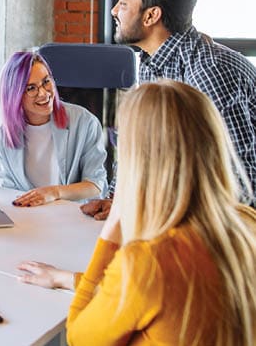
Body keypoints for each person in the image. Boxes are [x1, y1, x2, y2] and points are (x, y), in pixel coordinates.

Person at [18, 81, 256, 345]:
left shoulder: (149, 260)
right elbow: (136, 294)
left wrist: (110, 232)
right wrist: (65, 278)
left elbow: (80, 337)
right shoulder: (246, 222)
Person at [82, 0, 256, 220]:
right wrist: (119, 201)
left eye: (123, 3)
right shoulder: (153, 62)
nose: (114, 11)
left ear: (151, 15)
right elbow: (143, 152)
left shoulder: (208, 71)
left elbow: (240, 185)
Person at [0, 51, 107, 206]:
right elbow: (9, 189)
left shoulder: (85, 122)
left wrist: (54, 192)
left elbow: (95, 185)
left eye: (46, 81)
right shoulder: (4, 136)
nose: (43, 93)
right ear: (15, 95)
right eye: (31, 88)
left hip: (75, 218)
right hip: (30, 219)